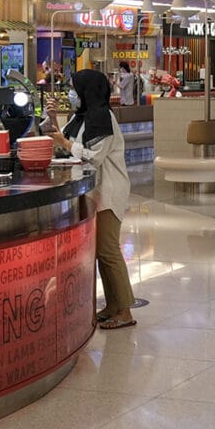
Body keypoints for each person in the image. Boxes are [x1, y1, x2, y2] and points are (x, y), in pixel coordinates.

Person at [48, 69, 136, 330]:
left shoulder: (103, 118)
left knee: (108, 251)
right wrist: (53, 119)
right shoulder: (81, 117)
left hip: (109, 192)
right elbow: (62, 140)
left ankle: (125, 311)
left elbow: (92, 156)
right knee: (99, 252)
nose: (72, 93)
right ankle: (112, 306)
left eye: (75, 88)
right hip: (94, 192)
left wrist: (64, 142)